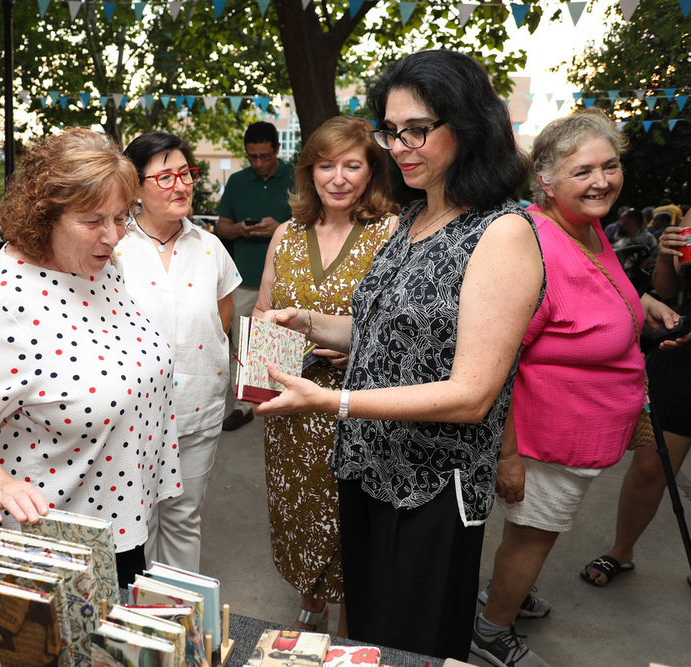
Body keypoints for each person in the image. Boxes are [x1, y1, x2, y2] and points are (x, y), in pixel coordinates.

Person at [251, 50, 545, 661]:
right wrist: (307, 322)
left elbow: (472, 394)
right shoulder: (414, 216)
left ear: (466, 126)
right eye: (392, 130)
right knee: (370, 639)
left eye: (417, 129)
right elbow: (379, 332)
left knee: (414, 645)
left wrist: (334, 400)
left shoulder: (501, 231)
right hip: (366, 471)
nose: (401, 145)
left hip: (432, 488)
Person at [0, 128, 181, 587]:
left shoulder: (100, 267)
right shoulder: (4, 299)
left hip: (121, 519)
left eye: (121, 217)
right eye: (93, 220)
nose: (113, 237)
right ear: (45, 218)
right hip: (53, 546)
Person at [474, 111, 687, 667]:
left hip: (584, 430)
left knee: (531, 533)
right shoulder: (534, 245)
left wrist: (640, 302)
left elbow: (596, 292)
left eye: (610, 166)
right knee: (534, 536)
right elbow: (498, 358)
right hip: (547, 435)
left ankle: (505, 598)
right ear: (545, 181)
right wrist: (509, 454)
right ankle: (491, 629)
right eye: (583, 170)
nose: (602, 181)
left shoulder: (588, 227)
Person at [252, 116, 396, 636]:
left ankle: (350, 618)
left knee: (351, 516)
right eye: (326, 165)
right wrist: (256, 390)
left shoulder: (392, 232)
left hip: (357, 407)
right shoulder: (287, 235)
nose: (338, 178)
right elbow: (265, 314)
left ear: (371, 170)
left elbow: (405, 327)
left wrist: (356, 345)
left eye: (352, 165)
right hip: (291, 410)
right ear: (309, 172)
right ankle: (311, 598)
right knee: (298, 509)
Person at [114, 132, 240, 573]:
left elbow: (219, 320)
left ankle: (183, 622)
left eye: (185, 173)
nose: (181, 185)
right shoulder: (112, 249)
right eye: (165, 176)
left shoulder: (210, 247)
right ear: (135, 188)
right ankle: (140, 625)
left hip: (197, 408)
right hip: (130, 415)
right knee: (135, 522)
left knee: (184, 517)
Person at [582, 220, 691, 589]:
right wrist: (667, 253)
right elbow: (668, 287)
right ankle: (621, 549)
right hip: (683, 352)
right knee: (650, 466)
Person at [214, 121, 295, 432]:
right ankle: (243, 405)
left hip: (286, 279)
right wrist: (241, 229)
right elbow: (222, 227)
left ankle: (284, 399)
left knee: (283, 342)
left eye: (265, 156)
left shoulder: (295, 177)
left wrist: (281, 226)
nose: (259, 163)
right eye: (253, 157)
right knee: (241, 345)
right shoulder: (236, 181)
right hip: (244, 277)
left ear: (277, 150)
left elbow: (314, 222)